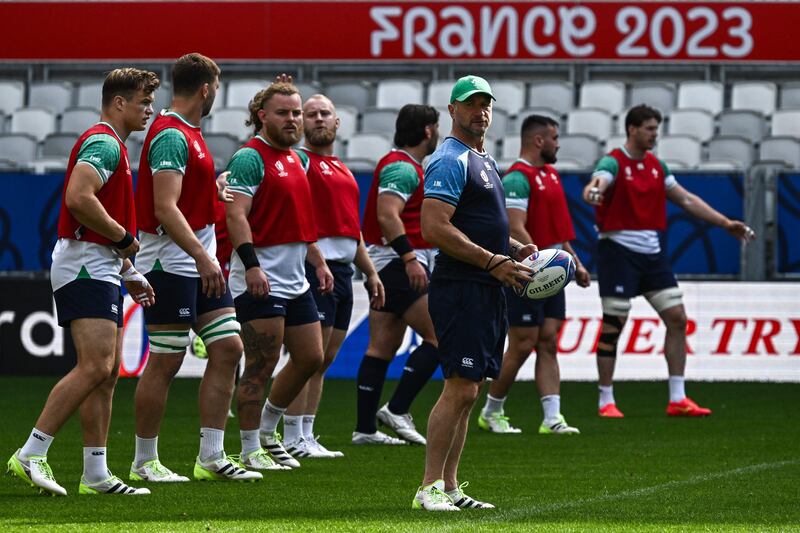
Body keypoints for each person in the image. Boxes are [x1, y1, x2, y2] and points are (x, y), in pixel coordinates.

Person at [7, 68, 159, 496]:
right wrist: (125, 240)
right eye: (143, 102)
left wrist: (129, 272)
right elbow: (78, 197)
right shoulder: (104, 142)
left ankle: (95, 474)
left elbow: (96, 209)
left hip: (100, 264)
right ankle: (31, 453)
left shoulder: (112, 145)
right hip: (86, 264)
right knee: (94, 366)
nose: (149, 110)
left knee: (107, 371)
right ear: (118, 103)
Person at [132, 53, 261, 482]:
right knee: (166, 361)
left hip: (197, 262)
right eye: (216, 89)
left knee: (228, 347)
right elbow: (164, 208)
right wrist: (205, 257)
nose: (216, 96)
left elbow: (184, 197)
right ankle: (144, 461)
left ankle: (210, 456)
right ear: (206, 88)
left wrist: (213, 189)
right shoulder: (171, 135)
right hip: (172, 263)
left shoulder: (188, 132)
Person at [582, 104, 755, 418]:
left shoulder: (657, 166)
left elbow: (687, 199)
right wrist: (594, 191)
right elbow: (598, 182)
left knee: (677, 318)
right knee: (613, 326)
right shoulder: (614, 161)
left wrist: (724, 223)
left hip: (652, 255)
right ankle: (605, 399)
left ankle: (678, 397)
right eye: (649, 128)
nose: (654, 135)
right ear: (632, 129)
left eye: (656, 129)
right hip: (617, 252)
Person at [414, 76, 535, 511]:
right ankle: (428, 487)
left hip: (486, 283)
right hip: (463, 284)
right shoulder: (449, 159)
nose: (479, 111)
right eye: (470, 104)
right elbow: (434, 227)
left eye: (485, 104)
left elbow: (476, 223)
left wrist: (514, 248)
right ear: (452, 109)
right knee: (460, 387)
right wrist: (491, 260)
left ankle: (449, 487)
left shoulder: (482, 158)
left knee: (470, 390)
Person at [225, 79, 333, 470]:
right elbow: (236, 215)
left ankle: (268, 431)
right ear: (261, 116)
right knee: (260, 365)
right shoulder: (249, 157)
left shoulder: (297, 158)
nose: (292, 120)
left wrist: (317, 259)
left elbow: (299, 221)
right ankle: (250, 447)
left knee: (310, 357)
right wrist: (251, 265)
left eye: (296, 113)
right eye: (283, 113)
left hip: (295, 277)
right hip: (261, 276)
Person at [282, 93, 385, 458]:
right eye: (311, 115)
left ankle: (306, 434)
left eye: (326, 113)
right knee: (308, 356)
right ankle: (291, 434)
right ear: (303, 123)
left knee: (324, 359)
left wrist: (370, 271)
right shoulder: (299, 162)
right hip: (315, 268)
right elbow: (297, 219)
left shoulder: (342, 168)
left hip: (343, 272)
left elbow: (351, 229)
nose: (319, 119)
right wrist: (318, 260)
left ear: (338, 122)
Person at [478, 115, 590, 435]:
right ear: (539, 141)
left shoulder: (550, 175)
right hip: (527, 271)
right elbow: (515, 226)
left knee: (549, 341)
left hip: (552, 270)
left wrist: (576, 264)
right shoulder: (517, 178)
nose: (558, 144)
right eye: (554, 138)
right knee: (523, 343)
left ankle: (552, 418)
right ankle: (492, 410)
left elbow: (561, 233)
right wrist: (535, 263)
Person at [356, 104, 442, 446]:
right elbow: (388, 215)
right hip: (395, 263)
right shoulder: (402, 168)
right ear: (427, 131)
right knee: (441, 336)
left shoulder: (400, 165)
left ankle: (364, 429)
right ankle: (398, 408)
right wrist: (409, 258)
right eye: (436, 127)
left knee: (383, 346)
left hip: (385, 262)